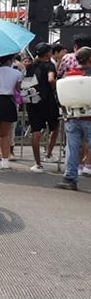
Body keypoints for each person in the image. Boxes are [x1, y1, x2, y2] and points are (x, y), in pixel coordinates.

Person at [55, 47, 91, 191]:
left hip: (72, 116)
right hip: (89, 117)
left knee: (72, 148)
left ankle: (69, 178)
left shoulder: (69, 75)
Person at [24, 43, 58, 173]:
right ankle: (48, 153)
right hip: (48, 101)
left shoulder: (30, 66)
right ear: (48, 53)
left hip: (33, 101)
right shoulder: (50, 65)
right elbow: (50, 79)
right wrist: (56, 84)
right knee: (55, 126)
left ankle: (37, 164)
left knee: (35, 131)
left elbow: (26, 83)